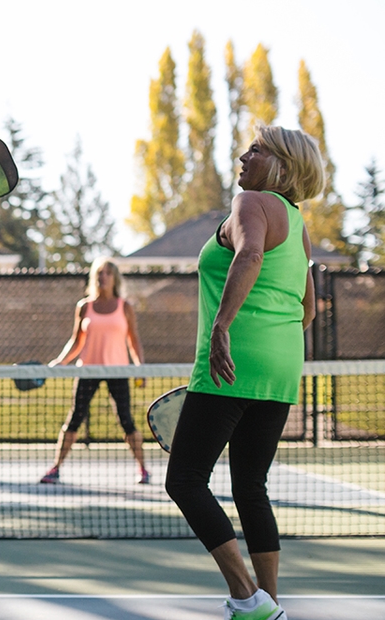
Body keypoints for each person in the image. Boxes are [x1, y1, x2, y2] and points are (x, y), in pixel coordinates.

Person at [165, 126, 324, 620]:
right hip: (281, 368)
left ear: (279, 164)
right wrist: (269, 337)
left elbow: (250, 253)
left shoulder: (250, 201)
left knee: (186, 479)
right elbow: (309, 308)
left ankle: (247, 596)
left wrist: (222, 328)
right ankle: (270, 603)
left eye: (254, 149)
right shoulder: (297, 224)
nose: (242, 155)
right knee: (250, 485)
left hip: (233, 362)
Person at [41, 256, 149, 485]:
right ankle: (55, 468)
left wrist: (140, 368)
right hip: (87, 371)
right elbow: (76, 341)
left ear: (115, 278)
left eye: (108, 273)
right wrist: (60, 361)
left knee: (126, 421)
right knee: (74, 419)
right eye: (99, 273)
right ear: (94, 277)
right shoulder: (84, 306)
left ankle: (143, 469)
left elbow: (134, 341)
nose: (103, 277)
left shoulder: (125, 306)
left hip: (117, 372)